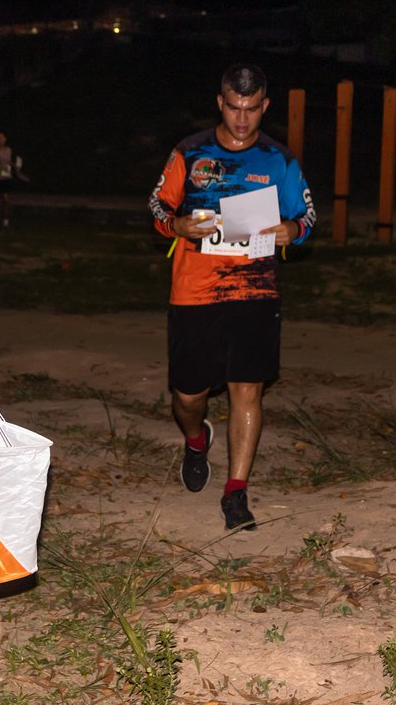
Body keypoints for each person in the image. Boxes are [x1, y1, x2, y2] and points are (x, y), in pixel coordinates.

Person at [147, 63, 316, 531]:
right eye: (234, 107)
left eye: (252, 109)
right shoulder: (190, 151)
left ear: (264, 106)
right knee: (188, 394)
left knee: (248, 388)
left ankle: (236, 492)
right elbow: (157, 204)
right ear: (220, 103)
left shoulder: (278, 160)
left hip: (254, 289)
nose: (243, 119)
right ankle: (197, 439)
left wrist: (292, 230)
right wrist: (175, 224)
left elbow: (308, 216)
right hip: (195, 289)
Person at [0, 131, 29, 227]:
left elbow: (8, 162)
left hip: (5, 177)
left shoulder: (8, 150)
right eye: (0, 138)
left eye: (3, 137)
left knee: (5, 199)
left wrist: (15, 166)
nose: (2, 139)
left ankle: (5, 221)